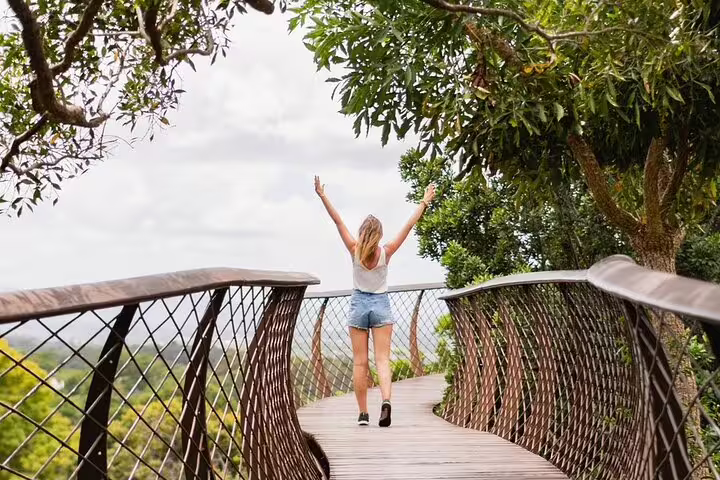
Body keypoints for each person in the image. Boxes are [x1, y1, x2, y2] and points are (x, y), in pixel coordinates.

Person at [314, 176, 436, 427]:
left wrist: (323, 196)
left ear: (361, 233)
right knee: (382, 359)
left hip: (359, 305)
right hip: (381, 305)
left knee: (360, 362)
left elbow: (337, 221)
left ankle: (362, 414)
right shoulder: (387, 251)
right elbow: (408, 226)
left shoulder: (353, 248)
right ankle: (387, 401)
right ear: (379, 235)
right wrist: (424, 202)